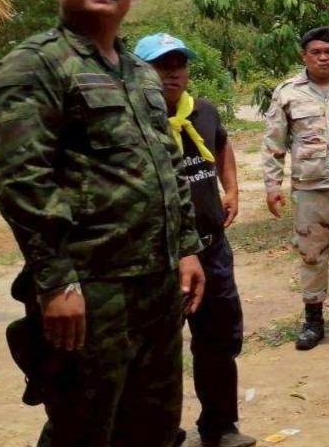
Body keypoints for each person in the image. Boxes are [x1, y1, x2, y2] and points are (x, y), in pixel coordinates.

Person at [0, 0, 205, 446]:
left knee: (155, 424)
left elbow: (170, 166)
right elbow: (24, 181)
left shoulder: (142, 74)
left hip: (157, 285)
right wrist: (56, 282)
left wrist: (187, 248)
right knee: (83, 426)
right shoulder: (33, 64)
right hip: (91, 287)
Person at [134, 33, 256, 447]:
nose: (172, 73)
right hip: (159, 255)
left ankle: (220, 426)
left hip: (211, 247)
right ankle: (160, 431)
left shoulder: (202, 110)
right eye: (161, 65)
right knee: (157, 350)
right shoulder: (131, 121)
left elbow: (222, 146)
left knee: (219, 339)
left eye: (179, 64)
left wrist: (231, 189)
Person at [263, 26, 329, 350]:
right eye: (316, 52)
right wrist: (272, 185)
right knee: (312, 256)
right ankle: (313, 320)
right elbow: (274, 143)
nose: (323, 58)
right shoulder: (287, 92)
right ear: (304, 56)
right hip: (310, 189)